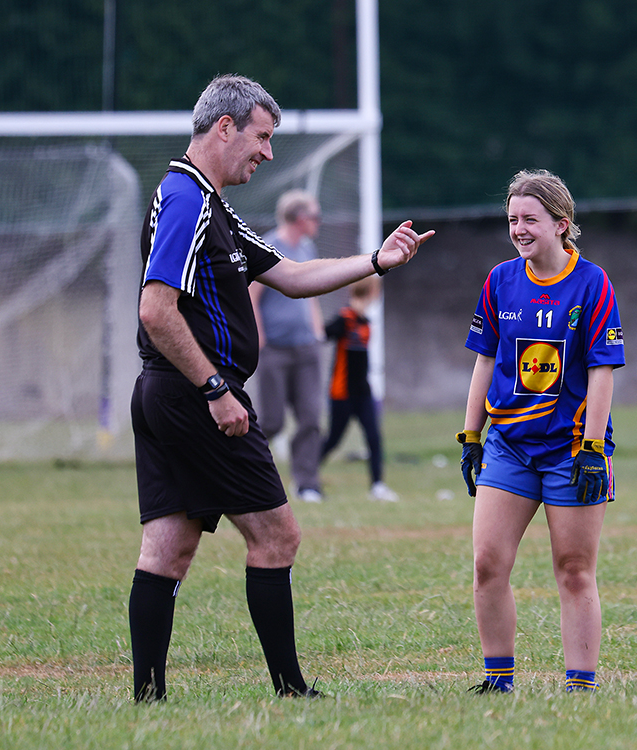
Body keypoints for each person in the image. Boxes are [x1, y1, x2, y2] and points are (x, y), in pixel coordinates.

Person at [128, 74, 433, 702]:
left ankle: (148, 699)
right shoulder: (185, 198)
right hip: (196, 397)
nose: (267, 152)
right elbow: (156, 311)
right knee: (277, 536)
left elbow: (290, 274)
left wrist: (376, 261)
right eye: (261, 137)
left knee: (168, 546)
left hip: (170, 393)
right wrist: (215, 388)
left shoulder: (209, 203)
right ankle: (292, 692)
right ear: (224, 127)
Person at [458, 169, 625, 694]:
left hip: (571, 449)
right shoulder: (500, 280)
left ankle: (580, 686)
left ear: (561, 224)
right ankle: (498, 680)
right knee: (487, 564)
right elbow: (485, 361)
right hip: (508, 446)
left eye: (530, 219)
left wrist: (594, 448)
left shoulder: (592, 282)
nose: (519, 229)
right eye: (512, 220)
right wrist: (470, 435)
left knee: (574, 569)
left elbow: (602, 370)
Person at [250, 190, 326, 503]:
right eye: (314, 216)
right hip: (275, 350)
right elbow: (251, 296)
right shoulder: (269, 248)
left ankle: (307, 483)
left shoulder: (307, 248)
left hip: (306, 349)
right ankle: (248, 476)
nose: (318, 222)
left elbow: (311, 292)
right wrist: (260, 339)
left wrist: (317, 329)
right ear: (298, 218)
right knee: (272, 422)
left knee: (310, 417)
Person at [318, 275, 399, 502]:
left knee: (374, 438)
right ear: (372, 292)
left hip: (364, 393)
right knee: (333, 439)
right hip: (342, 394)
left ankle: (377, 486)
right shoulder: (344, 318)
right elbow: (321, 335)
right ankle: (306, 478)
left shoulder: (365, 321)